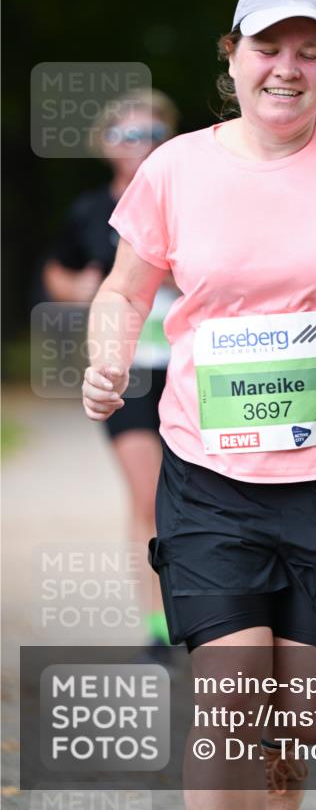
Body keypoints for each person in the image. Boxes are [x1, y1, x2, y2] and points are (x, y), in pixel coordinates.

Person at [80, 0, 316, 808]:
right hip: (210, 471)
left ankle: (281, 779)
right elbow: (122, 292)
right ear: (234, 55)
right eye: (268, 48)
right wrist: (107, 360)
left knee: (304, 719)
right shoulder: (176, 169)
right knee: (231, 694)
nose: (286, 67)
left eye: (307, 52)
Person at [43, 88, 181, 651]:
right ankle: (157, 625)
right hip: (126, 371)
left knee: (198, 496)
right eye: (128, 135)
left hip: (189, 368)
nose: (140, 146)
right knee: (147, 498)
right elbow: (58, 273)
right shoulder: (88, 211)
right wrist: (81, 289)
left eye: (152, 135)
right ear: (106, 145)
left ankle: (211, 611)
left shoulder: (188, 199)